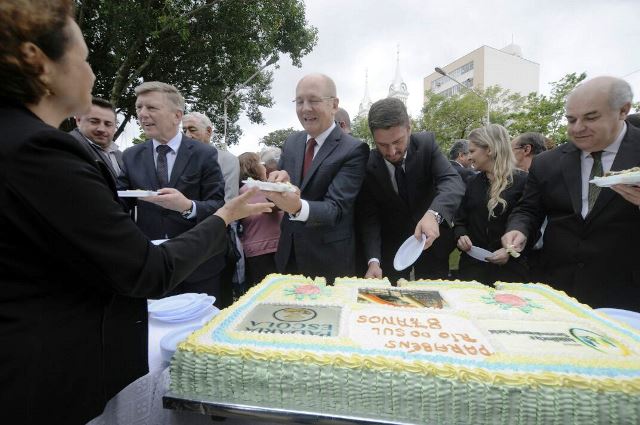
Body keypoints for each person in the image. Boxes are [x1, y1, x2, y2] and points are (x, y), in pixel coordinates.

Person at [0, 2, 272, 424]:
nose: (92, 73)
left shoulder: (26, 143)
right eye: (86, 58)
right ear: (40, 63)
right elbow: (147, 270)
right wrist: (226, 217)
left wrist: (198, 209)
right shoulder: (37, 150)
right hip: (37, 379)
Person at [503, 76, 640, 310]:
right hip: (558, 290)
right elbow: (528, 209)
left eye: (590, 117)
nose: (577, 128)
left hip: (626, 294)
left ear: (623, 111)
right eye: (571, 119)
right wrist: (518, 229)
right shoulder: (547, 163)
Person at [118, 82, 228, 300]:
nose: (142, 114)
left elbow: (218, 205)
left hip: (199, 264)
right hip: (153, 265)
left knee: (200, 330)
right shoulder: (131, 156)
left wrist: (187, 206)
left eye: (151, 108)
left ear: (177, 116)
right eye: (139, 107)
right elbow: (118, 203)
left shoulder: (203, 154)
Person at [266, 73, 369, 284]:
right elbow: (282, 197)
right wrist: (276, 186)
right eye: (299, 101)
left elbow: (336, 208)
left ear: (334, 105)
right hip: (288, 255)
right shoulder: (292, 142)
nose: (305, 108)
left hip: (329, 262)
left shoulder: (353, 149)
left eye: (313, 100)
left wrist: (297, 207)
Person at [357, 97, 465, 281]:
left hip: (432, 243)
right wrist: (373, 261)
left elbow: (451, 181)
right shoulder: (367, 163)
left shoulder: (426, 145)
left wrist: (434, 214)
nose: (391, 152)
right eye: (382, 145)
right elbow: (369, 217)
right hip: (392, 249)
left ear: (409, 128)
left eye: (398, 141)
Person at [454, 124, 529, 285]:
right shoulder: (472, 182)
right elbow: (460, 219)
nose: (469, 157)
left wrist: (510, 251)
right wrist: (460, 235)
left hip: (510, 274)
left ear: (489, 150)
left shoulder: (523, 182)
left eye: (472, 151)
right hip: (472, 271)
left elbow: (530, 223)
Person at [238, 152, 283, 287]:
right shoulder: (259, 189)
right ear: (254, 167)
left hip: (254, 250)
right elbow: (276, 207)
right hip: (271, 248)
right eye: (262, 164)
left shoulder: (240, 190)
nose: (265, 168)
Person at [182, 111, 240, 202]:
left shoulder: (227, 160)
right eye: (184, 131)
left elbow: (229, 201)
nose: (187, 135)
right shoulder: (179, 158)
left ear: (208, 131)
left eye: (192, 130)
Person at [69, 97, 123, 181]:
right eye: (94, 121)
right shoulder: (69, 146)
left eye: (108, 124)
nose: (101, 129)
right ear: (78, 120)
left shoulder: (120, 155)